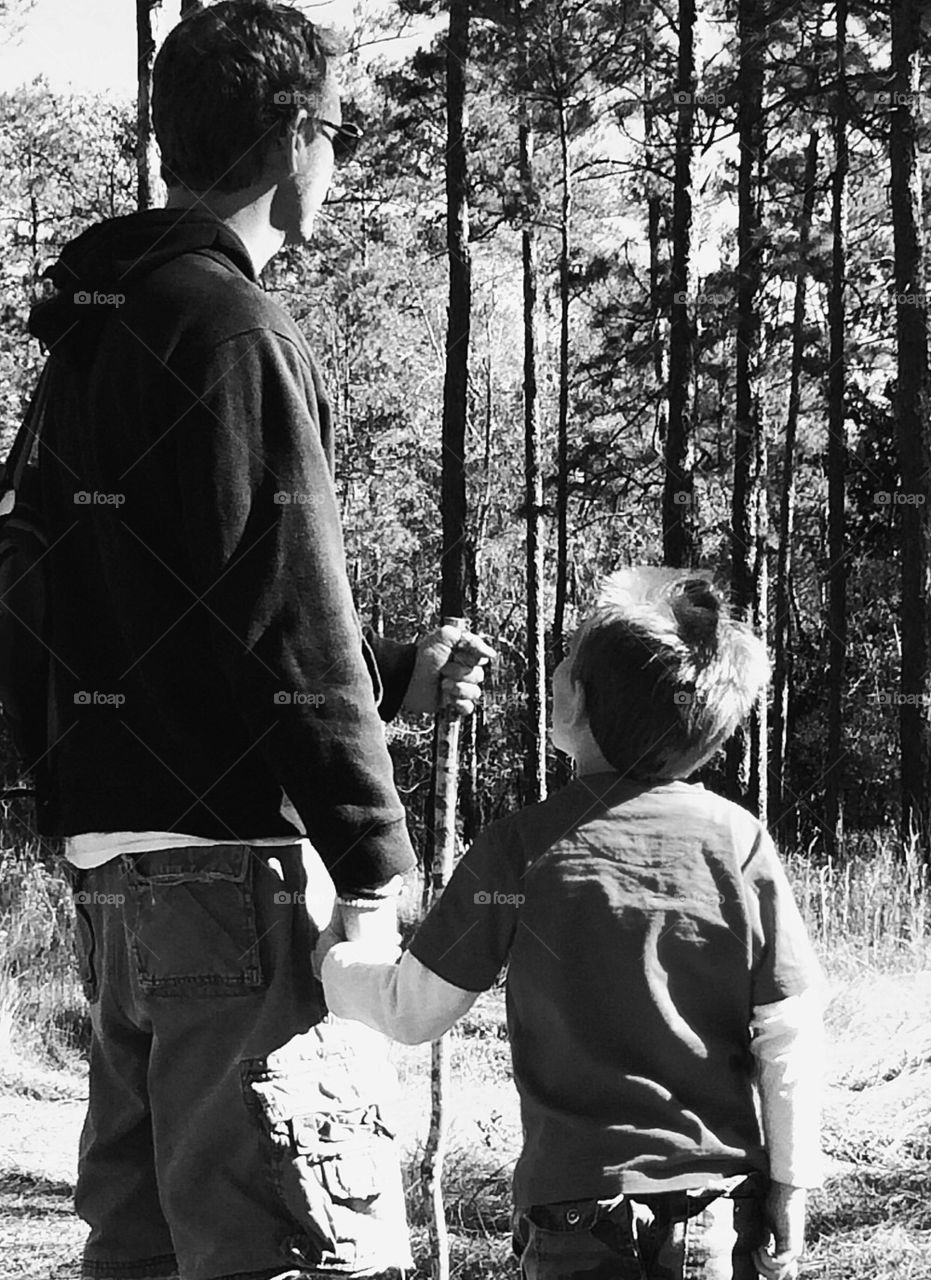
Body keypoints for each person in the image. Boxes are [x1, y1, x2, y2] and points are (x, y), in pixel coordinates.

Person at [28, 4, 491, 1279]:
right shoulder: (235, 331)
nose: (336, 160)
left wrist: (388, 672)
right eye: (338, 131)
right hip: (235, 881)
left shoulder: (94, 330)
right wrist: (377, 867)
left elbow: (157, 603)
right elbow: (281, 605)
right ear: (296, 139)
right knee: (287, 1247)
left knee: (146, 1243)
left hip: (122, 878)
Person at [321, 568, 825, 1280]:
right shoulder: (738, 842)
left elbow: (410, 1012)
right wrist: (791, 1182)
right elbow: (788, 1030)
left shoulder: (520, 848)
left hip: (576, 1212)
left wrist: (333, 960)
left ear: (576, 699)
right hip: (721, 1207)